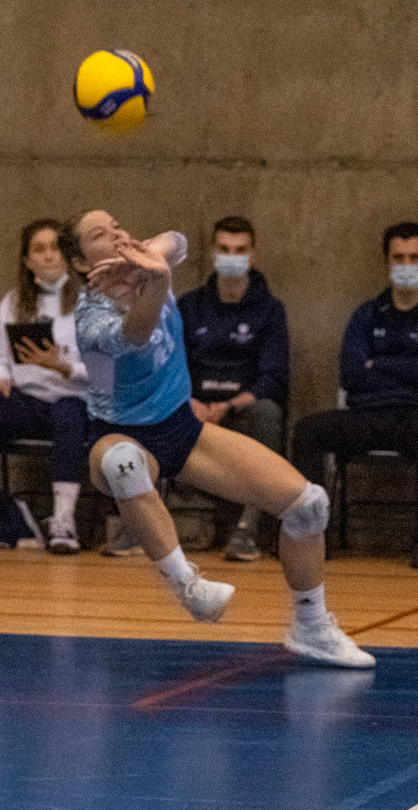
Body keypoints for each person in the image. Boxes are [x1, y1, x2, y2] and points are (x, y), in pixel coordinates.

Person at [59, 208, 373, 668]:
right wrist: (156, 280)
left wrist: (152, 256)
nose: (118, 234)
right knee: (122, 463)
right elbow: (138, 331)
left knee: (308, 506)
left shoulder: (146, 260)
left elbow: (178, 239)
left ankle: (311, 627)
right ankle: (187, 584)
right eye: (100, 235)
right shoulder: (91, 318)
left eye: (118, 226)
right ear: (84, 263)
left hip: (182, 430)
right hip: (119, 435)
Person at [291, 222, 418, 569]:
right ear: (386, 261)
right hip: (366, 415)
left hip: (417, 416)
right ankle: (312, 537)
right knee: (308, 430)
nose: (406, 265)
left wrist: (378, 363)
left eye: (414, 257)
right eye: (398, 257)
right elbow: (352, 375)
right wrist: (413, 363)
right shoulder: (366, 315)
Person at [0, 219, 88, 554]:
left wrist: (62, 365)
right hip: (27, 400)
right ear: (27, 261)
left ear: (68, 254)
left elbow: (104, 374)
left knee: (70, 415)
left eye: (55, 248)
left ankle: (64, 521)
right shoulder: (13, 303)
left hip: (73, 399)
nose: (48, 256)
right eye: (38, 250)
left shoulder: (89, 303)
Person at [178, 216, 290, 561]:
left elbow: (273, 378)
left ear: (252, 255)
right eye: (224, 249)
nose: (232, 257)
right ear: (213, 253)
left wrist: (227, 406)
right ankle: (140, 526)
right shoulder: (189, 306)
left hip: (240, 411)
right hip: (193, 409)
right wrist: (190, 402)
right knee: (147, 408)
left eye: (240, 250)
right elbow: (170, 367)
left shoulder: (270, 311)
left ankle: (247, 530)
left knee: (268, 412)